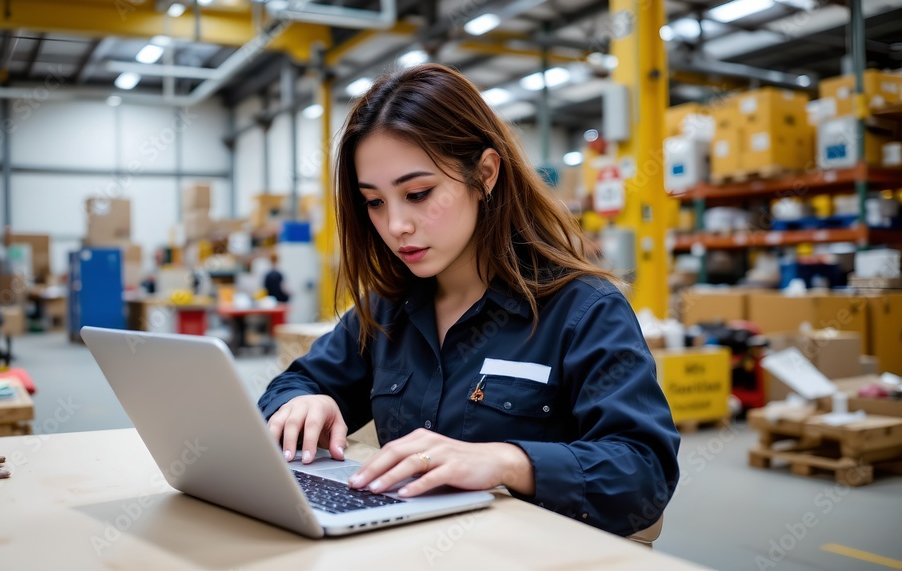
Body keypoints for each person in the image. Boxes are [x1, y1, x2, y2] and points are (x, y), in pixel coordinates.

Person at [258, 63, 680, 537]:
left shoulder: (583, 311)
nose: (395, 226)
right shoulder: (387, 309)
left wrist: (508, 461)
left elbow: (644, 471)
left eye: (418, 193)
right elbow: (297, 382)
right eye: (374, 202)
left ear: (485, 174)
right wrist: (300, 402)